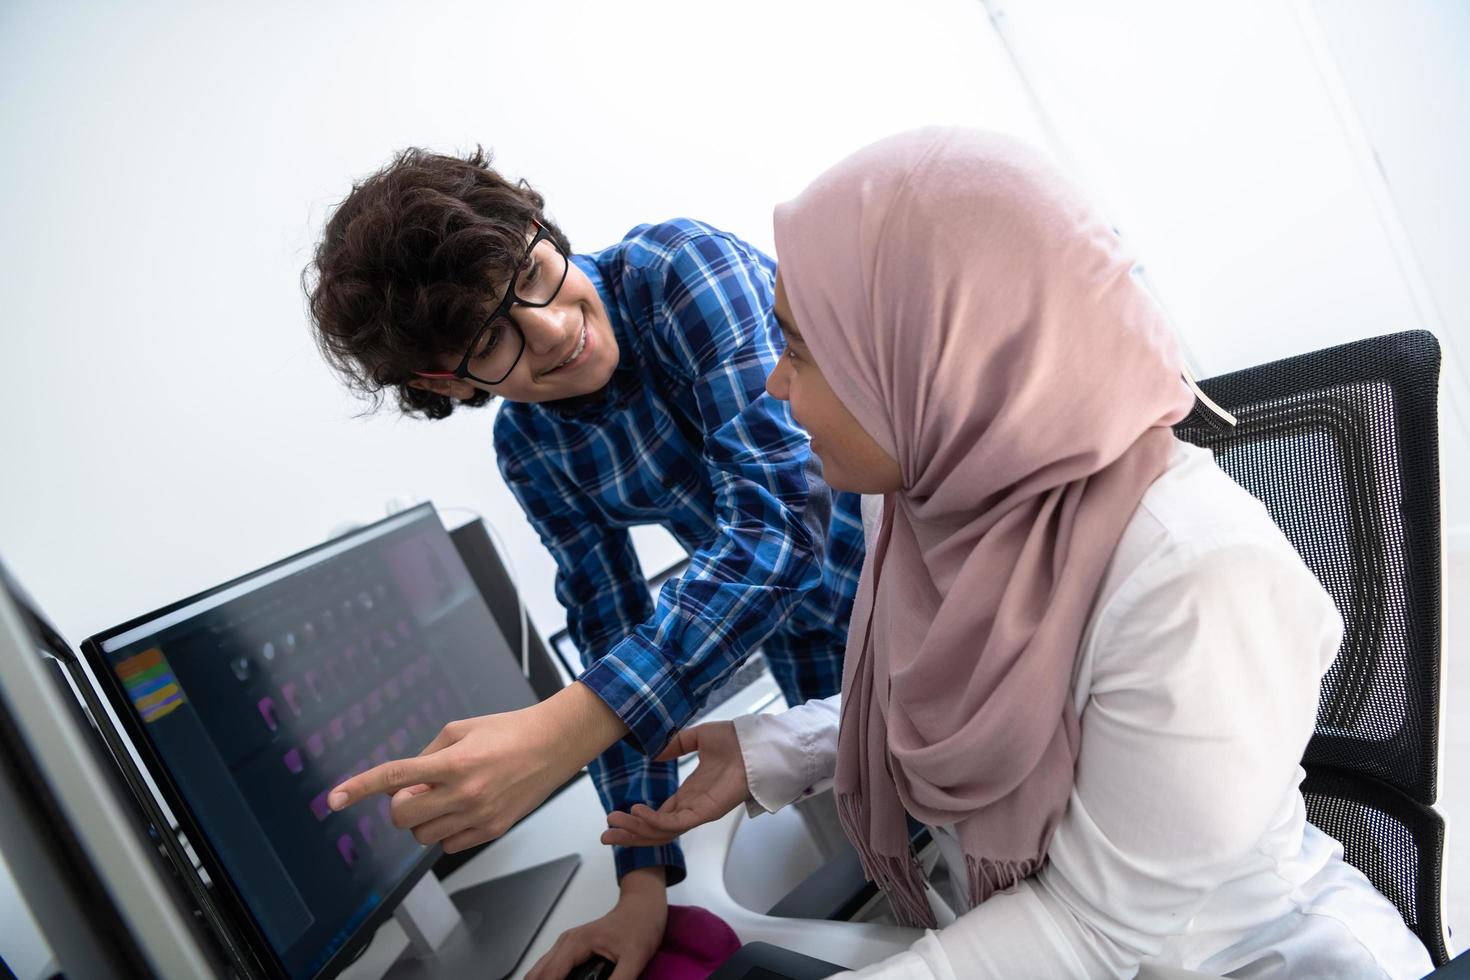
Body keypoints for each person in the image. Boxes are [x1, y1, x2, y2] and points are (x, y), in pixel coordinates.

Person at [602, 128, 1434, 978]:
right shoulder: (939, 514)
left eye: (801, 352)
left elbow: (1090, 932)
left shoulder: (1193, 573)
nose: (775, 386)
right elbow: (967, 700)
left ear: (928, 354)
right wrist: (770, 752)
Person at [304, 148, 863, 977]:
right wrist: (642, 883)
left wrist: (557, 734)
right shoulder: (530, 449)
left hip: (944, 581)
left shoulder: (682, 272)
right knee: (905, 867)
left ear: (537, 225)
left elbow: (779, 524)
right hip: (815, 650)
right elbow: (609, 620)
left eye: (531, 271)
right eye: (491, 340)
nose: (553, 329)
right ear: (443, 380)